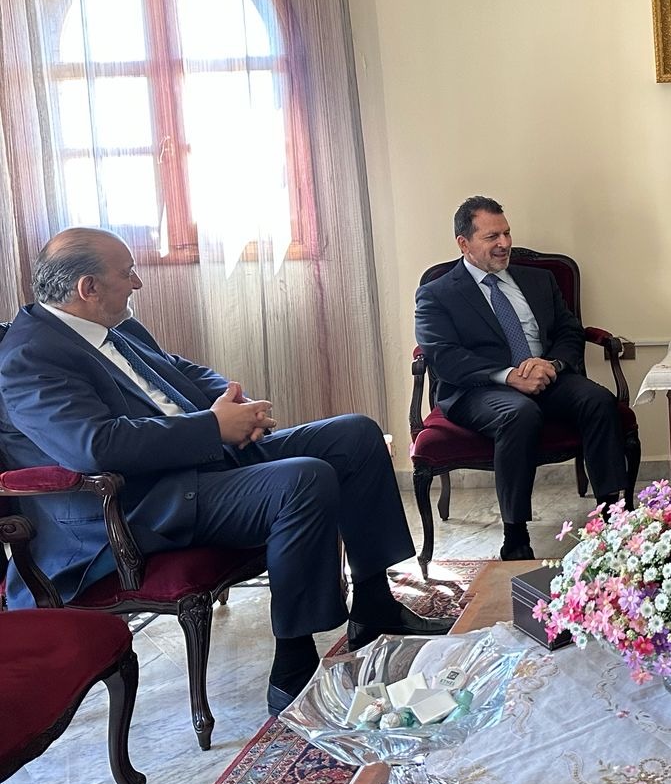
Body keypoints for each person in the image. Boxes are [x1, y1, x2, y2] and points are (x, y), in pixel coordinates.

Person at [0, 228, 449, 717]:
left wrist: (236, 407)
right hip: (139, 504)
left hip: (197, 463)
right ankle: (293, 666)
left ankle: (374, 606)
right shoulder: (30, 356)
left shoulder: (114, 325)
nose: (138, 283)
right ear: (87, 287)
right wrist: (213, 427)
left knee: (356, 434)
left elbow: (181, 371)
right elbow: (95, 445)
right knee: (304, 479)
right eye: (127, 273)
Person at [414, 197, 627, 563]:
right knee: (519, 413)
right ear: (464, 243)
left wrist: (552, 364)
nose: (504, 243)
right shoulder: (438, 293)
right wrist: (510, 376)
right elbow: (445, 357)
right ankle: (515, 535)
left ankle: (613, 518)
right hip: (479, 389)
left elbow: (569, 330)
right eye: (492, 236)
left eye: (507, 233)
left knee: (599, 400)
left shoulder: (538, 279)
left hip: (545, 375)